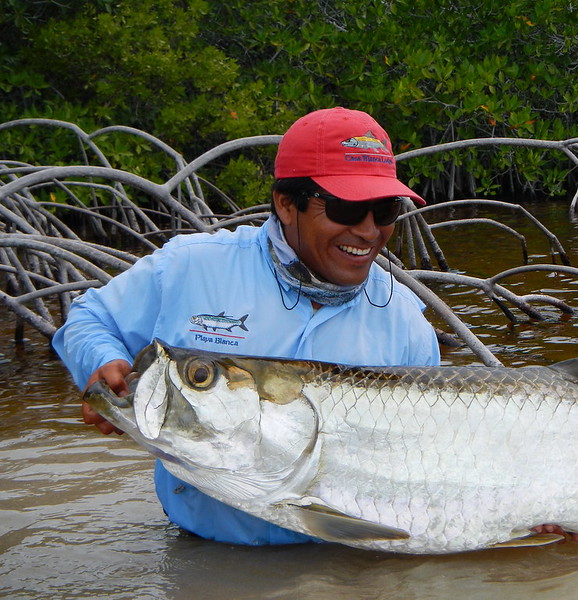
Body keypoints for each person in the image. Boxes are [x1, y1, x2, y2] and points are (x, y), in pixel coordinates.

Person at [52, 107, 442, 545]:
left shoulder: (407, 322)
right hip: (204, 559)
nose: (369, 231)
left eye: (385, 209)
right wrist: (104, 360)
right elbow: (90, 319)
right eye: (347, 207)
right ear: (285, 204)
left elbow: (430, 463)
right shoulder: (190, 267)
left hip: (344, 567)